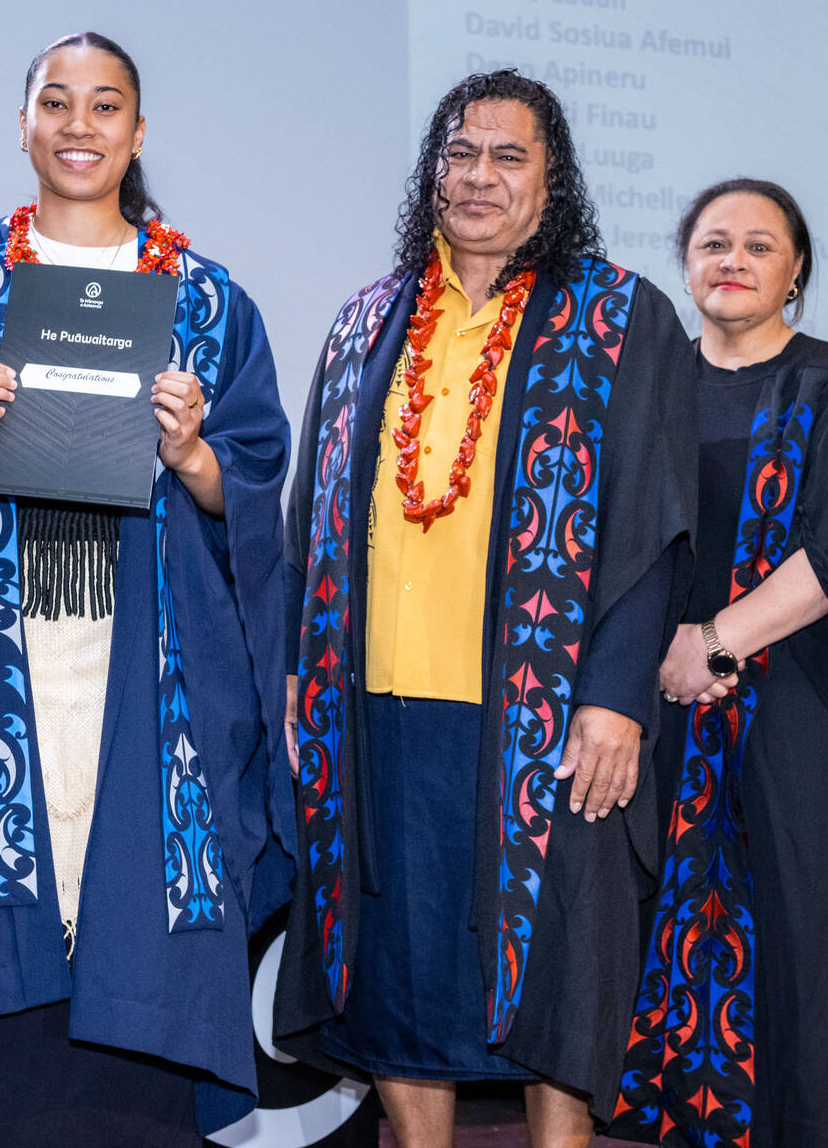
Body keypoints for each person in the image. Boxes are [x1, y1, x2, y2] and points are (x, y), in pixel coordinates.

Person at [0, 32, 292, 1147]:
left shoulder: (209, 302)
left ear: (139, 131)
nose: (79, 124)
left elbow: (254, 487)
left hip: (145, 666)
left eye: (105, 104)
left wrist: (191, 455)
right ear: (24, 123)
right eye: (56, 101)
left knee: (136, 926)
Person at [274, 69, 695, 1148]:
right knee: (400, 972)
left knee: (557, 966)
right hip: (378, 709)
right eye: (459, 153)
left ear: (553, 182)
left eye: (509, 156)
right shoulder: (369, 318)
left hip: (540, 714)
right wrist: (296, 677)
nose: (478, 175)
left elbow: (650, 523)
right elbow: (311, 516)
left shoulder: (618, 316)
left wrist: (617, 698)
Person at [614, 180, 828, 1147]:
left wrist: (716, 642)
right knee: (665, 957)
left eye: (759, 246)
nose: (733, 259)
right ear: (685, 263)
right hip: (664, 720)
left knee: (813, 966)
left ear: (796, 269)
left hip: (807, 716)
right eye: (714, 242)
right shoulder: (645, 390)